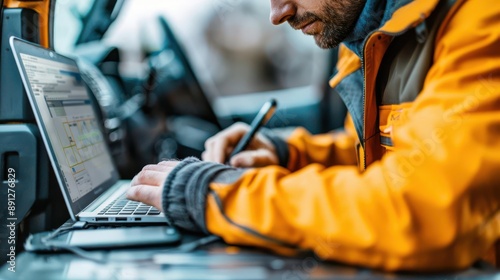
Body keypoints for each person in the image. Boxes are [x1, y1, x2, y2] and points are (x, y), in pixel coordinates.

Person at [126, 0, 500, 271]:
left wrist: (220, 194)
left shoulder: (481, 19)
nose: (277, 13)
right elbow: (402, 153)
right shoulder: (369, 37)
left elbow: (425, 209)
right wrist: (290, 154)